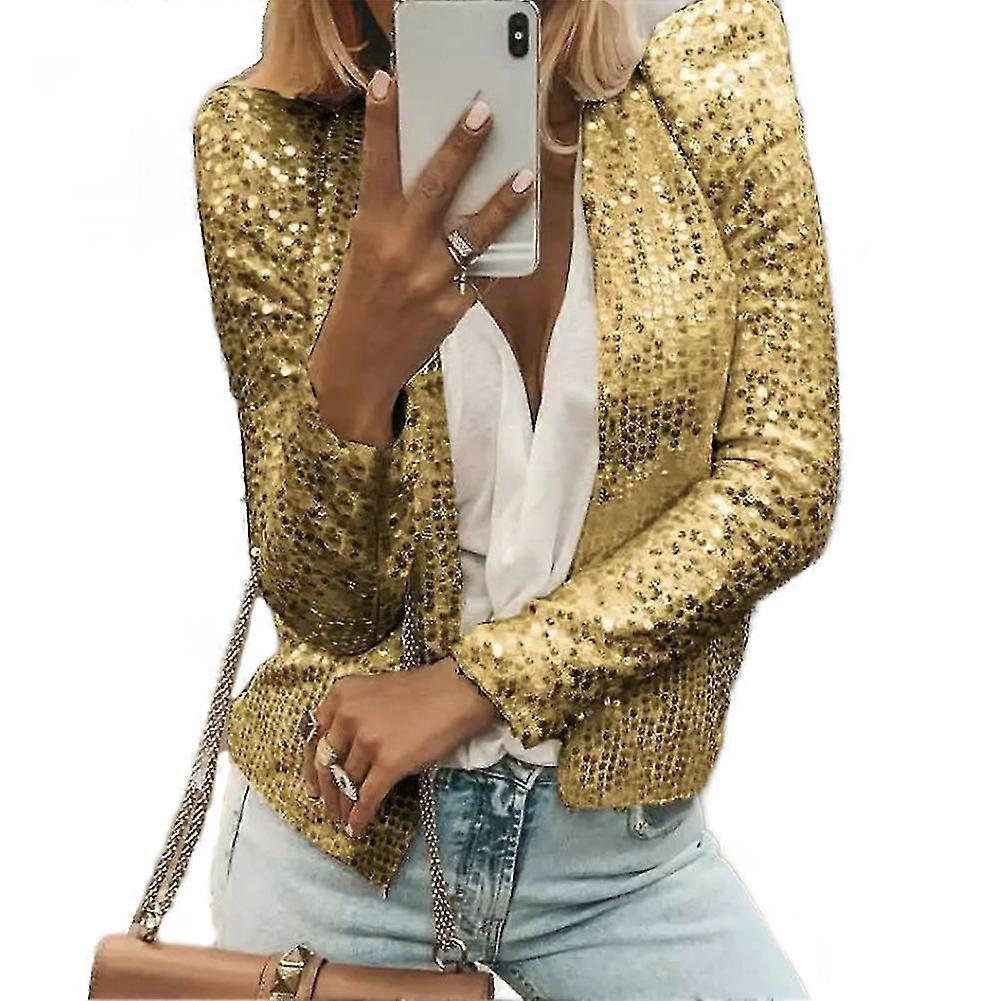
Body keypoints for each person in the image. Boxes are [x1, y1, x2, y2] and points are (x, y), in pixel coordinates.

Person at [193, 0, 839, 997]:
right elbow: (324, 606)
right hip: (341, 847)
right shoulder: (261, 135)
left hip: (620, 865)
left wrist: (480, 683)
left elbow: (782, 477)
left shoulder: (709, 53)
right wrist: (354, 373)